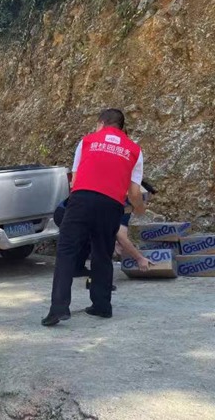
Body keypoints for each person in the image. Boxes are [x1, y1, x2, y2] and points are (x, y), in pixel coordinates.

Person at [42, 109, 145, 327]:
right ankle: (102, 305)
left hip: (82, 199)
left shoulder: (87, 141)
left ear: (101, 123)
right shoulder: (135, 151)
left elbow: (75, 179)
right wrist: (139, 208)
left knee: (67, 251)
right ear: (121, 127)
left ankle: (59, 308)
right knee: (102, 253)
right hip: (112, 205)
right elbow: (135, 193)